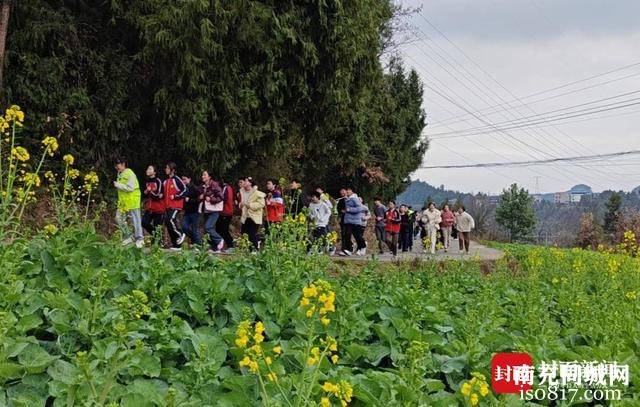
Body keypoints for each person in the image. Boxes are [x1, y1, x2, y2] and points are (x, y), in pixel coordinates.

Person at [113, 157, 144, 248]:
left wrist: (118, 185)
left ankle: (140, 239)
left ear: (123, 164)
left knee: (136, 220)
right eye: (115, 166)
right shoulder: (120, 174)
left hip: (132, 200)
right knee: (118, 218)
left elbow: (130, 188)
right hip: (123, 202)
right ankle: (129, 236)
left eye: (117, 165)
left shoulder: (130, 174)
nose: (116, 167)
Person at [163, 162, 187, 250]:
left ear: (172, 170)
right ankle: (177, 245)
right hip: (168, 206)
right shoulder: (166, 181)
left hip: (176, 206)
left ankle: (181, 234)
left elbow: (185, 190)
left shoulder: (176, 179)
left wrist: (176, 196)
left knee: (170, 220)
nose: (166, 169)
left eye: (167, 168)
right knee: (167, 222)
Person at [199, 170, 224, 253]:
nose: (203, 176)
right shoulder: (203, 186)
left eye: (205, 175)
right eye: (202, 175)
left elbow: (221, 196)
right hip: (206, 210)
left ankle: (219, 240)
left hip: (214, 210)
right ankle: (214, 247)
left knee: (208, 227)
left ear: (209, 177)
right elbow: (203, 197)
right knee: (207, 230)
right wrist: (201, 197)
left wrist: (211, 199)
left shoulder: (214, 184)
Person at [239, 177, 266, 250]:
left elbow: (262, 204)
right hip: (246, 217)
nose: (243, 182)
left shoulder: (257, 193)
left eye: (246, 181)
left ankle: (256, 250)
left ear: (250, 183)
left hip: (254, 217)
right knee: (243, 234)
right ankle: (249, 250)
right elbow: (242, 203)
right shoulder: (242, 192)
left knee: (251, 234)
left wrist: (250, 205)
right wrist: (240, 205)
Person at [340, 186, 367, 256]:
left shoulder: (354, 199)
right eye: (347, 190)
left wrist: (350, 210)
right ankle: (348, 250)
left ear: (352, 191)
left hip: (355, 221)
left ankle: (363, 246)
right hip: (348, 221)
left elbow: (360, 208)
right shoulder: (347, 199)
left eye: (348, 190)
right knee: (347, 235)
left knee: (357, 236)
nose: (347, 191)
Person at [141, 165, 164, 243]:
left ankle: (158, 242)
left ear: (154, 172)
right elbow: (144, 194)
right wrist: (147, 191)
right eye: (147, 168)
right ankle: (156, 237)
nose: (148, 170)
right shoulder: (146, 181)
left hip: (158, 208)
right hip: (149, 207)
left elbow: (159, 195)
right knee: (144, 222)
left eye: (150, 169)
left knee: (157, 226)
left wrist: (150, 191)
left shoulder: (158, 181)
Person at [181, 174, 202, 246]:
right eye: (182, 179)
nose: (183, 181)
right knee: (184, 227)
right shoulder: (183, 189)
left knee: (195, 229)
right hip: (187, 212)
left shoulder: (195, 188)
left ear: (189, 179)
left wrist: (190, 200)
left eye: (185, 179)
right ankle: (193, 239)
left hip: (195, 212)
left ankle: (199, 246)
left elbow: (199, 199)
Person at [216, 177, 235, 252]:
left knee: (223, 230)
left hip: (226, 212)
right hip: (222, 212)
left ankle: (231, 245)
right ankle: (219, 245)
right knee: (218, 229)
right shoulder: (226, 188)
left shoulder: (226, 188)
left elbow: (223, 198)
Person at [336, 188, 349, 254]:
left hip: (352, 220)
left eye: (344, 192)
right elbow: (338, 209)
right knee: (343, 234)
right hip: (344, 219)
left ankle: (350, 247)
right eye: (341, 193)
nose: (343, 193)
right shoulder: (340, 201)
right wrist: (341, 211)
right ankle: (344, 249)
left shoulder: (351, 199)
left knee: (349, 234)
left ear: (347, 192)